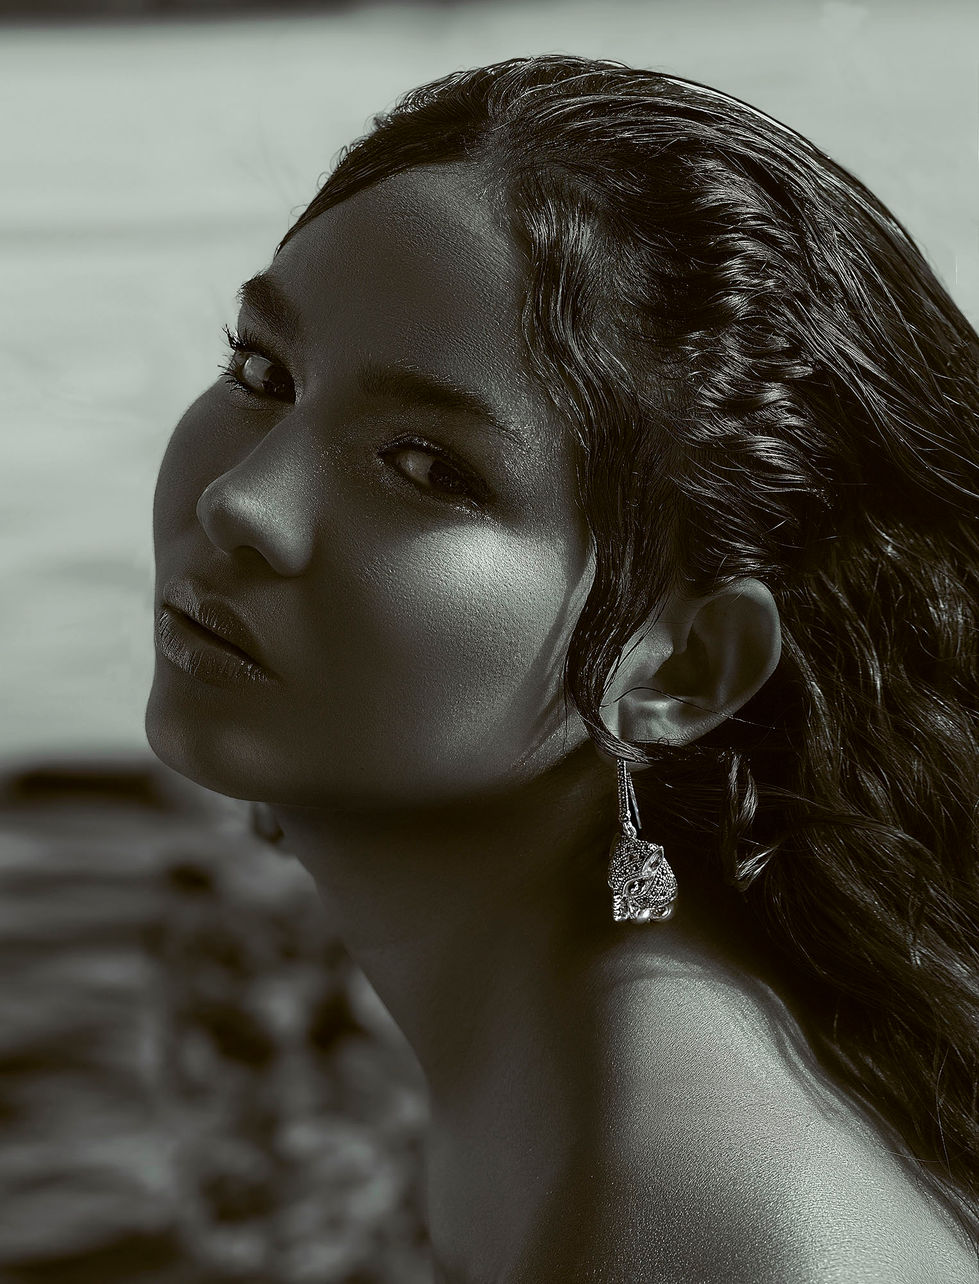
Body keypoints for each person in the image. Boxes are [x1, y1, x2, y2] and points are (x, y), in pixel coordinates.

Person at [145, 55, 979, 1282]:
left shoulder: (693, 1207)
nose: (241, 501)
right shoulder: (579, 1064)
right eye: (265, 372)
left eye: (431, 467)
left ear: (682, 667)